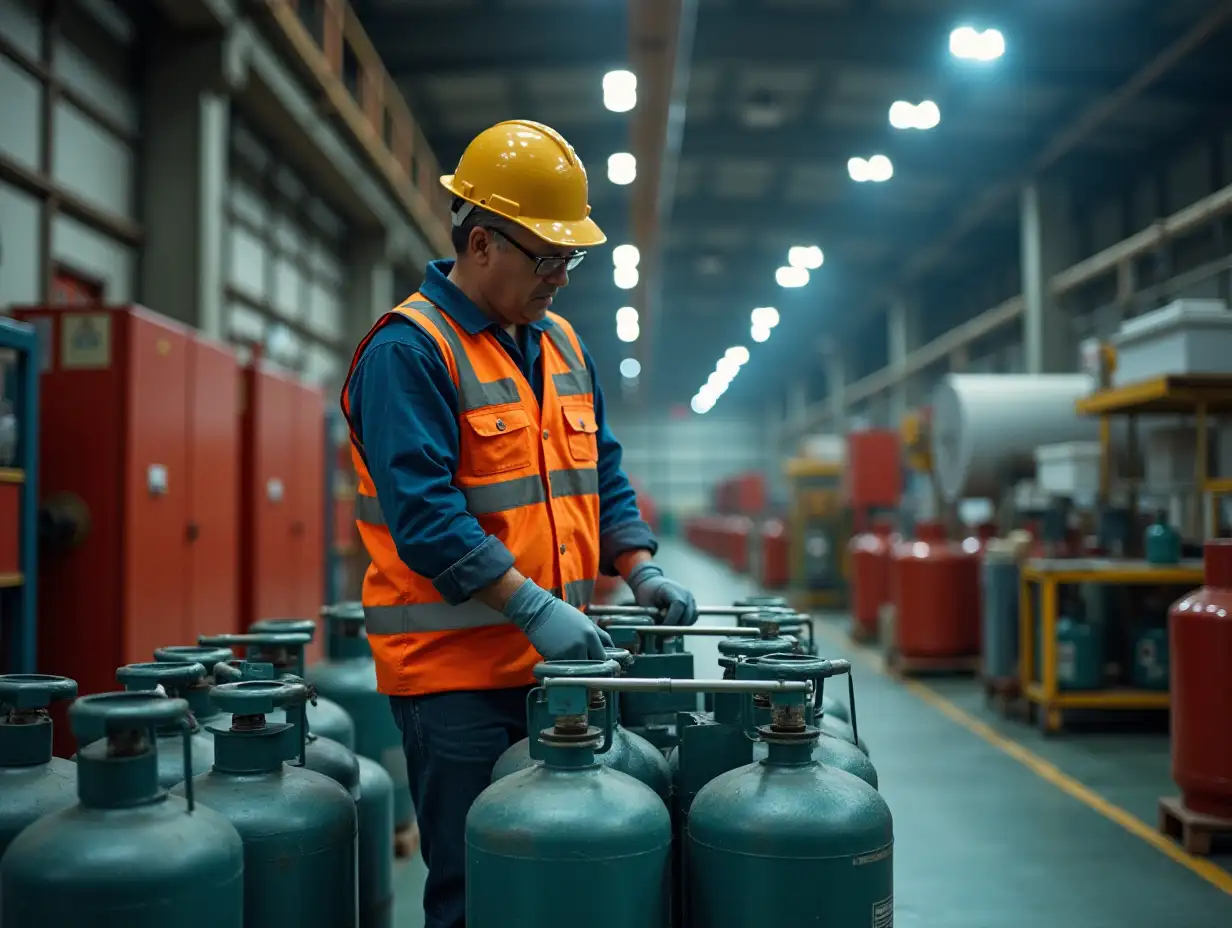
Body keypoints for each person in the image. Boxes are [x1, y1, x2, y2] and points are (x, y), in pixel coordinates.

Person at [339, 119, 699, 928]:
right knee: (477, 893)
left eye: (571, 260)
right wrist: (532, 606)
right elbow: (426, 518)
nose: (561, 278)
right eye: (547, 258)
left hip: (556, 672)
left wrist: (638, 565)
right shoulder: (410, 352)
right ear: (480, 244)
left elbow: (600, 469)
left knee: (558, 891)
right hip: (457, 680)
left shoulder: (560, 342)